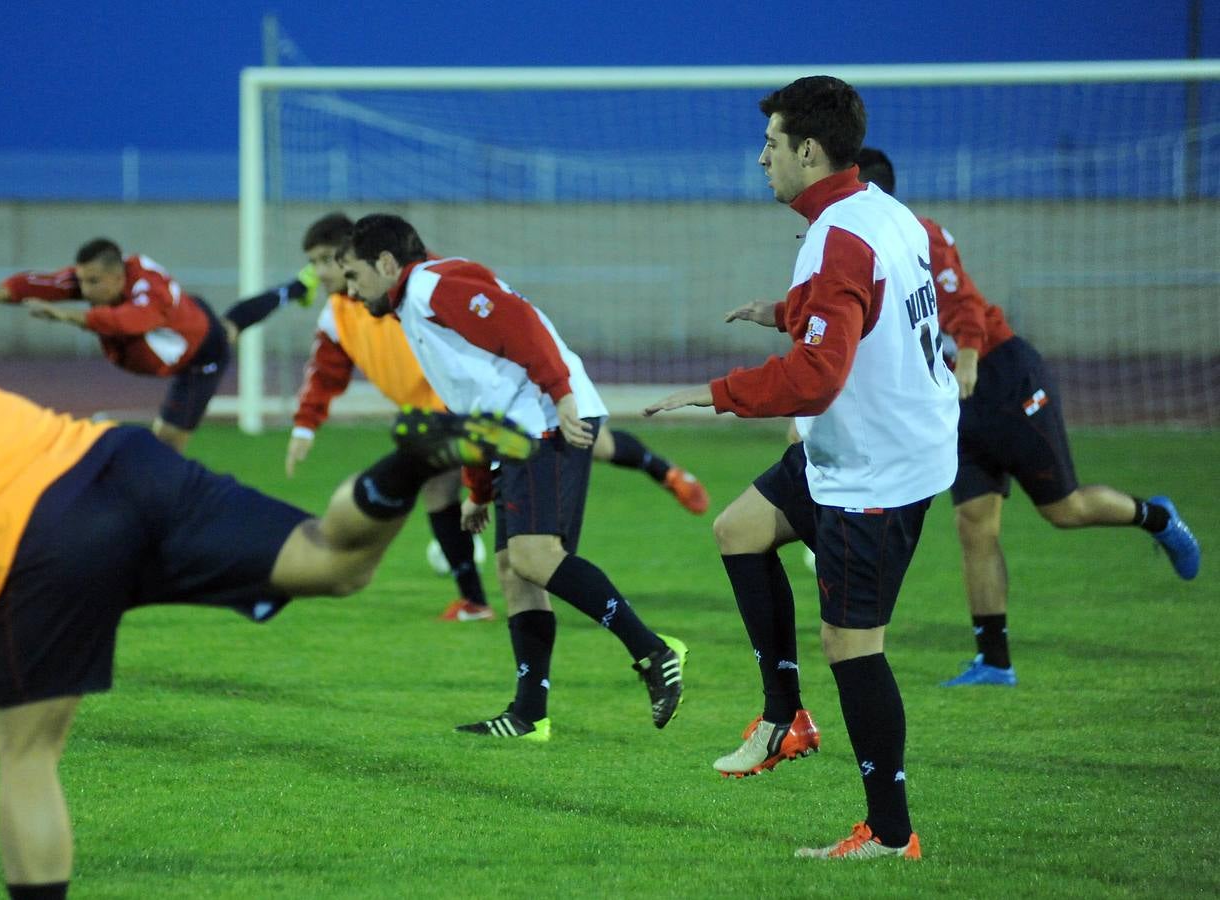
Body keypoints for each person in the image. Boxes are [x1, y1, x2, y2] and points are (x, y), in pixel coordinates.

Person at [0, 349, 533, 900]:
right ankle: (409, 464)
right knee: (333, 561)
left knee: (27, 756)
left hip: (36, 537)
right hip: (120, 459)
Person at [646, 76, 958, 859]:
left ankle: (890, 834)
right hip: (868, 446)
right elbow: (862, 305)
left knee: (853, 647)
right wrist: (784, 312)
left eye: (772, 144)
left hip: (874, 469)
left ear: (809, 150)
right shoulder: (885, 213)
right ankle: (785, 719)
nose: (763, 160)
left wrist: (715, 394)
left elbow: (817, 377)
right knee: (739, 530)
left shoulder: (839, 235)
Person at [852, 147, 1202, 687]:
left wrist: (969, 354)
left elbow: (964, 304)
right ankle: (995, 662)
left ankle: (1155, 516)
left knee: (1064, 509)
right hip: (956, 402)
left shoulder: (919, 234)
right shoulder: (857, 252)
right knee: (974, 524)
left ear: (869, 193)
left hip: (1003, 378)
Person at [338, 213, 687, 741]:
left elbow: (518, 322)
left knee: (534, 556)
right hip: (518, 428)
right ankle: (529, 714)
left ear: (385, 263)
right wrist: (477, 489)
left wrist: (562, 393)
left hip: (545, 419)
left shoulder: (432, 286)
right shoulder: (417, 301)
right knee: (512, 568)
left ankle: (654, 652)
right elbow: (473, 398)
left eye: (354, 275)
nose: (350, 290)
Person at [288, 212, 711, 622]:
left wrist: (559, 391)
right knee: (492, 536)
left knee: (583, 463)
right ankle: (476, 603)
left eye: (331, 261)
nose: (323, 272)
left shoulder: (417, 286)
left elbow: (489, 310)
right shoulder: (342, 314)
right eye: (316, 263)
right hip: (463, 412)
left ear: (372, 260)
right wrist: (305, 426)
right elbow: (326, 373)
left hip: (496, 408)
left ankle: (664, 475)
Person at [0, 238, 318, 453]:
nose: (85, 290)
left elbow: (131, 322)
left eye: (93, 282)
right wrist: (6, 292)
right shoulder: (106, 277)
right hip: (189, 319)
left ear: (117, 277)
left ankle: (163, 510)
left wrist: (69, 317)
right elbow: (51, 283)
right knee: (231, 326)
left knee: (167, 446)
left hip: (199, 356)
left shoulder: (148, 292)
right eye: (83, 280)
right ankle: (299, 287)